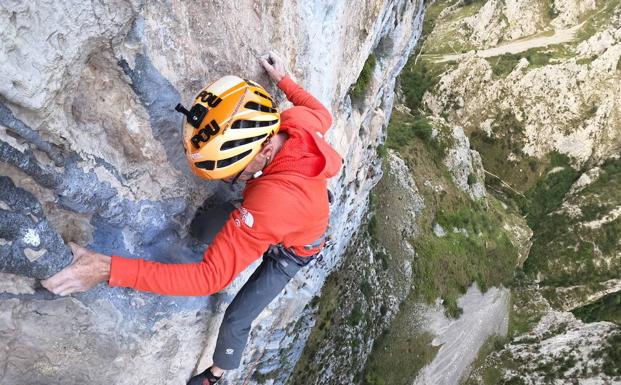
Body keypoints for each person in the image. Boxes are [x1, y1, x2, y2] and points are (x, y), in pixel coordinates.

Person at [41, 52, 342, 384]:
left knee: (237, 318)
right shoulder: (296, 122)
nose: (235, 178)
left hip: (294, 251)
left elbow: (210, 279)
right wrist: (284, 80)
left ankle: (216, 375)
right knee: (205, 223)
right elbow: (321, 114)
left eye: (236, 171)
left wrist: (106, 268)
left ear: (266, 151)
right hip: (292, 207)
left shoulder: (270, 206)